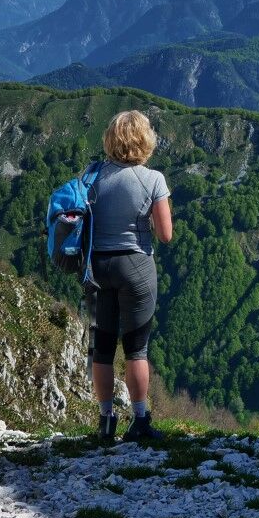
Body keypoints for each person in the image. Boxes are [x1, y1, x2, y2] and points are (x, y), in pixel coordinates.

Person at [87, 109, 173, 441]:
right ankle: (139, 421)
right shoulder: (153, 179)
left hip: (97, 268)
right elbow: (165, 234)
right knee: (136, 348)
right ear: (145, 141)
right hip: (136, 266)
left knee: (103, 347)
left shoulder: (92, 176)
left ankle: (105, 420)